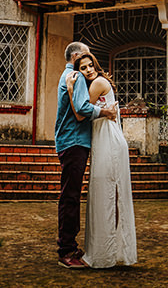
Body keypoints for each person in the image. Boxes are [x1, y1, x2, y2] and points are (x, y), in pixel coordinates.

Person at [66, 49, 137, 269]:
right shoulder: (98, 82)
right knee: (107, 195)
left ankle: (104, 254)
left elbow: (79, 113)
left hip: (109, 143)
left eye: (90, 66)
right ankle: (113, 251)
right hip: (106, 141)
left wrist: (70, 90)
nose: (88, 71)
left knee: (105, 195)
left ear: (96, 66)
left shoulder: (97, 83)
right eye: (82, 68)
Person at [55, 41, 116, 269]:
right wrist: (105, 111)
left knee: (70, 194)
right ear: (78, 56)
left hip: (71, 141)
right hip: (74, 142)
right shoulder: (76, 78)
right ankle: (66, 251)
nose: (89, 62)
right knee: (70, 196)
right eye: (87, 54)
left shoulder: (70, 76)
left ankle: (69, 245)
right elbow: (80, 108)